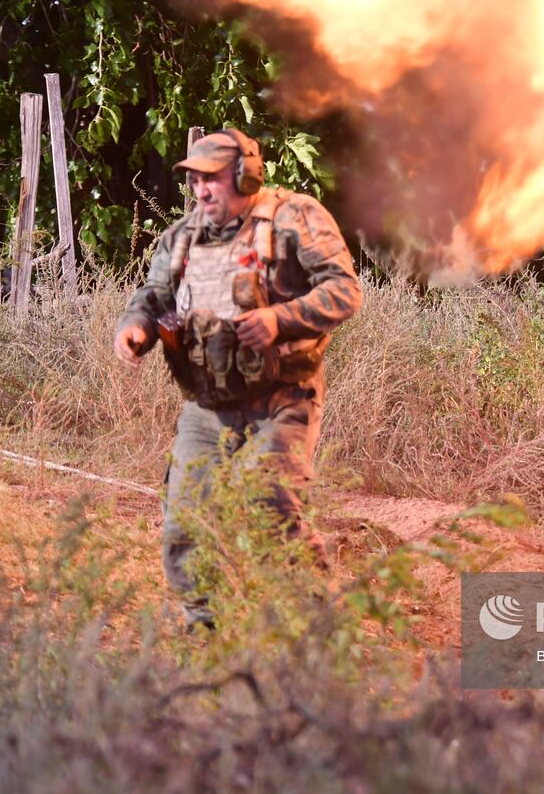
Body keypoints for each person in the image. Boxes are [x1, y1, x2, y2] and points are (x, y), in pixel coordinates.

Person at [113, 129, 362, 628]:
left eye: (212, 180)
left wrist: (279, 319)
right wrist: (134, 327)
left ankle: (317, 632)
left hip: (282, 401)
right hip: (206, 408)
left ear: (246, 175)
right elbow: (152, 296)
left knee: (269, 503)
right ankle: (203, 626)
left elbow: (344, 291)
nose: (202, 192)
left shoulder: (294, 218)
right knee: (185, 519)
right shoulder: (184, 235)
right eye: (195, 182)